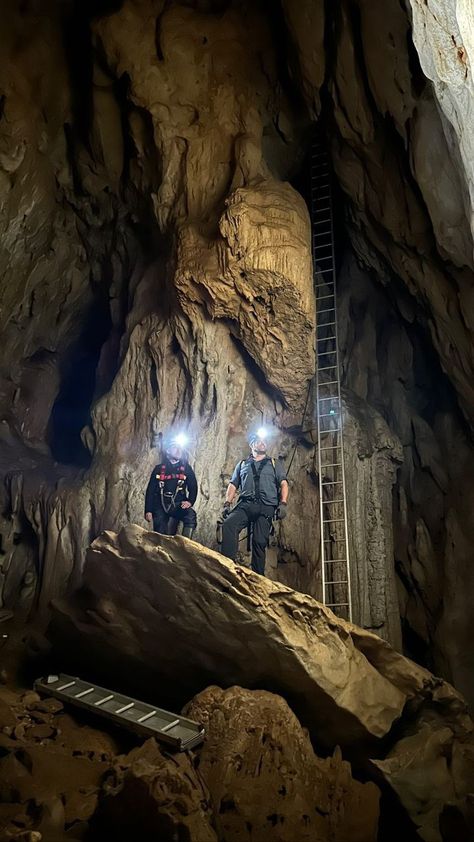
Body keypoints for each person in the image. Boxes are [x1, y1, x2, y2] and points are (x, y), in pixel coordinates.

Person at [220, 429, 288, 575]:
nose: (263, 443)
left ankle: (258, 577)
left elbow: (283, 483)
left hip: (266, 506)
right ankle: (227, 568)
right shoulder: (242, 464)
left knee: (259, 541)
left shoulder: (274, 463)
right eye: (259, 441)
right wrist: (227, 504)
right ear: (252, 445)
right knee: (229, 524)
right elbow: (233, 484)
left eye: (264, 441)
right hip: (245, 505)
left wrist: (283, 503)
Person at [144, 434, 198, 538]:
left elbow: (193, 487)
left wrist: (190, 501)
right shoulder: (159, 469)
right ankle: (161, 551)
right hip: (160, 504)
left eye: (180, 448)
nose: (179, 451)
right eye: (175, 448)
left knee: (190, 515)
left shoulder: (186, 468)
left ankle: (186, 546)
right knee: (160, 534)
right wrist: (148, 510)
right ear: (168, 451)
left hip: (178, 503)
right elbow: (150, 490)